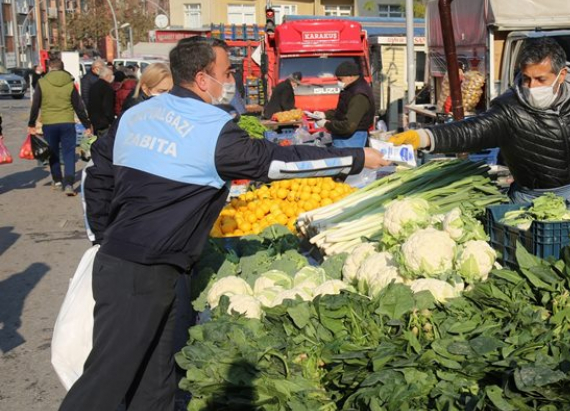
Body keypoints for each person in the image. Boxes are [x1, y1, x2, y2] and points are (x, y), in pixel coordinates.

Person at [61, 36, 388, 411]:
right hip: (140, 273)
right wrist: (357, 158)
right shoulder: (212, 130)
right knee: (108, 380)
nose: (229, 78)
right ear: (202, 78)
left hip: (151, 266)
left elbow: (95, 177)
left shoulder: (137, 114)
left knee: (157, 381)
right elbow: (283, 163)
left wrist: (103, 236)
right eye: (225, 71)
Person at [390, 38, 570, 218]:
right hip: (533, 205)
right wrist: (423, 136)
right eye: (526, 79)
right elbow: (470, 132)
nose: (532, 86)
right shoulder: (509, 109)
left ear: (562, 75)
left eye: (540, 79)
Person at [28, 58, 92, 196]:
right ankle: (69, 183)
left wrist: (31, 124)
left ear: (50, 67)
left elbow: (35, 105)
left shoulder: (42, 82)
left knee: (53, 152)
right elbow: (78, 106)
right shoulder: (70, 83)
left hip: (49, 123)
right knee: (69, 153)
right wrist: (87, 124)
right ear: (62, 68)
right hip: (67, 123)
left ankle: (57, 180)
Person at [318, 61, 375, 148]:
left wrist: (326, 124)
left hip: (352, 139)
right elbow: (343, 110)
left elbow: (348, 126)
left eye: (340, 79)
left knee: (348, 160)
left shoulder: (359, 95)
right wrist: (325, 114)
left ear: (351, 77)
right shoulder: (349, 89)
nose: (338, 82)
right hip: (345, 138)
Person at [87, 67, 116, 138]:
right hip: (104, 121)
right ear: (107, 76)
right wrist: (111, 120)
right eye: (111, 75)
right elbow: (107, 106)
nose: (112, 77)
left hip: (94, 119)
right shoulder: (107, 88)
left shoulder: (93, 86)